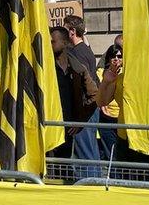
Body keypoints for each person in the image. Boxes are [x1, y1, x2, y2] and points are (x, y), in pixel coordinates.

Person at [50, 26, 98, 166]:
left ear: (65, 43)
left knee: (65, 169)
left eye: (53, 41)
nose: (49, 44)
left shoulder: (78, 68)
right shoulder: (44, 67)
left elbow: (95, 95)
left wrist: (80, 120)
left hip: (68, 130)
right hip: (49, 128)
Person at [63, 16, 101, 177]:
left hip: (84, 110)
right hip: (90, 109)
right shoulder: (86, 50)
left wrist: (79, 117)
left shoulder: (77, 54)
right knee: (91, 151)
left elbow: (81, 86)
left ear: (72, 31)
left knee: (84, 154)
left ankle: (89, 186)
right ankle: (96, 183)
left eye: (64, 29)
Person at [97, 43, 122, 160]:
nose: (116, 59)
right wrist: (107, 82)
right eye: (113, 56)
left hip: (122, 120)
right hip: (107, 118)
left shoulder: (126, 73)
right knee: (111, 156)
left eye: (119, 56)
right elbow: (102, 100)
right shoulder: (103, 73)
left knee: (120, 157)